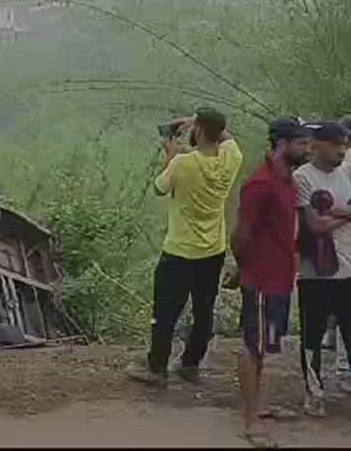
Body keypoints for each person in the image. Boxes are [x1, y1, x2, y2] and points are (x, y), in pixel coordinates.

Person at [128, 108, 243, 386]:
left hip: (180, 251)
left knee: (166, 311)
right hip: (212, 250)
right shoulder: (231, 158)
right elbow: (226, 137)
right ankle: (190, 363)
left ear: (199, 131)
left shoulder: (182, 164)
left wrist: (170, 153)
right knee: (204, 310)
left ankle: (157, 367)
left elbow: (159, 188)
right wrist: (200, 122)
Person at [230, 119, 311, 447]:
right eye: (302, 143)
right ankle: (250, 422)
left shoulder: (287, 180)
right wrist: (242, 269)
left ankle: (258, 405)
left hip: (279, 276)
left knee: (264, 344)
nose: (307, 149)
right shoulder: (260, 184)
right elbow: (241, 234)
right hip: (262, 278)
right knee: (253, 345)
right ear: (282, 143)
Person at [292, 121, 351, 418]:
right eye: (335, 145)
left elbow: (322, 218)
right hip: (314, 271)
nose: (341, 151)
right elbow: (313, 226)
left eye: (344, 145)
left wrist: (331, 214)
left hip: (349, 269)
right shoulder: (302, 178)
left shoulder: (349, 173)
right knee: (312, 336)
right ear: (318, 145)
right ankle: (313, 391)